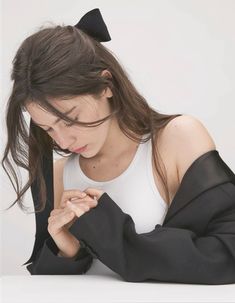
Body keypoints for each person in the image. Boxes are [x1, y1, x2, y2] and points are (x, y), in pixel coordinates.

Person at [2, 8, 235, 284]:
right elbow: (53, 288)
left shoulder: (176, 139)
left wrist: (105, 227)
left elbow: (227, 253)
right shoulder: (58, 172)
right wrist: (68, 250)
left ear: (106, 85)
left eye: (71, 119)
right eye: (47, 128)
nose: (62, 141)